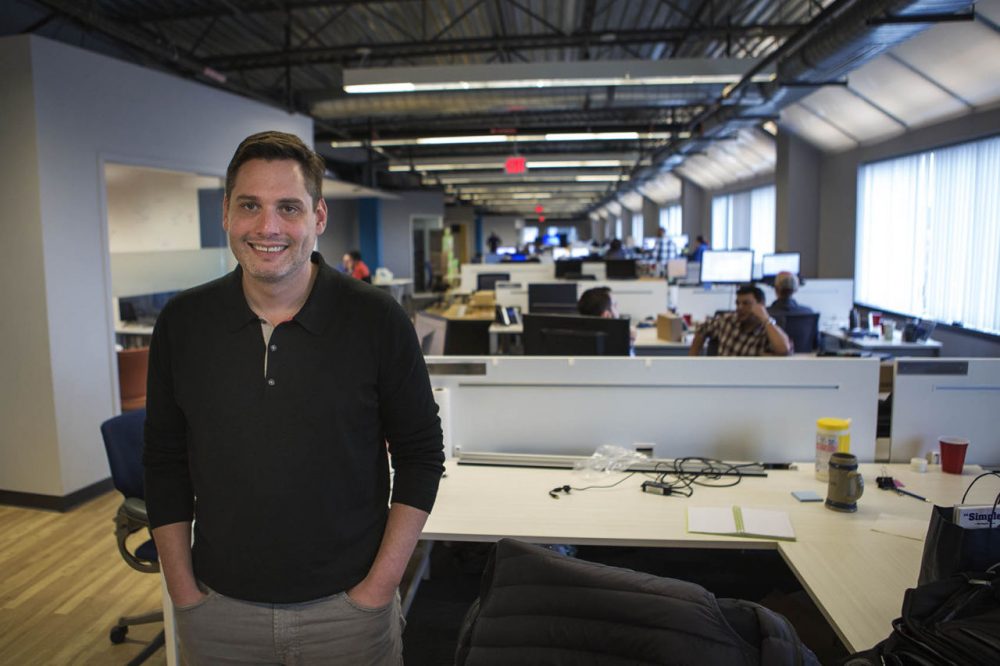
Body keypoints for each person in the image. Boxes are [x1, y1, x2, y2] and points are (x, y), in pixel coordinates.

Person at [143, 131, 445, 664]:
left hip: (348, 613)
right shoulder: (183, 323)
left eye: (289, 207)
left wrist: (378, 590)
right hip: (218, 612)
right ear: (225, 213)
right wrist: (183, 593)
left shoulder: (377, 320)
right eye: (249, 206)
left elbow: (421, 455)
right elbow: (164, 462)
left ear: (318, 216)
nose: (268, 227)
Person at [688, 284, 792, 356]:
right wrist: (693, 360)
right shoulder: (727, 320)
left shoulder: (768, 329)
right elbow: (702, 329)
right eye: (737, 303)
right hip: (722, 376)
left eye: (746, 303)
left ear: (761, 305)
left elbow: (784, 350)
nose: (740, 308)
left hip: (750, 379)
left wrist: (766, 319)